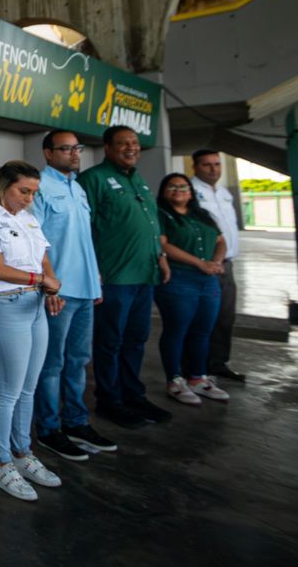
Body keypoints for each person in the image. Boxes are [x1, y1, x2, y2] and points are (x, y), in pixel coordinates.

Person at [0, 160, 65, 501]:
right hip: (4, 305)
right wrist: (42, 281)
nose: (28, 199)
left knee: (28, 388)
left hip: (35, 305)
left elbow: (43, 258)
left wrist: (51, 288)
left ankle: (23, 453)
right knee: (8, 390)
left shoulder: (28, 219)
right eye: (24, 191)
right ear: (3, 185)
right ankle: (0, 461)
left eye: (33, 193)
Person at [77, 125, 172, 429]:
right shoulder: (93, 179)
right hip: (114, 277)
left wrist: (160, 255)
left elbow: (151, 223)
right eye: (123, 144)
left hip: (145, 274)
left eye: (135, 143)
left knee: (137, 338)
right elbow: (83, 228)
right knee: (110, 342)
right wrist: (93, 270)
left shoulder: (139, 181)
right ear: (107, 147)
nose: (131, 148)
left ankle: (133, 395)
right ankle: (110, 400)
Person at [30, 131, 117, 462]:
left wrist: (95, 280)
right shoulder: (39, 187)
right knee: (52, 364)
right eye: (65, 149)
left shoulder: (77, 187)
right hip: (59, 292)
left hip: (85, 290)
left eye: (76, 148)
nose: (74, 154)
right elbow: (34, 240)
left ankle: (77, 422)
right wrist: (49, 283)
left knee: (79, 361)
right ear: (48, 153)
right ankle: (50, 429)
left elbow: (84, 239)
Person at [155, 173, 230, 405]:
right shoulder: (160, 214)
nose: (179, 190)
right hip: (178, 279)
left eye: (184, 187)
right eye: (172, 187)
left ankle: (198, 378)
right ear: (164, 191)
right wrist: (200, 263)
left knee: (202, 331)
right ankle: (175, 380)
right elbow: (163, 244)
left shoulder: (203, 214)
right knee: (176, 330)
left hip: (208, 280)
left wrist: (216, 262)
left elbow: (220, 241)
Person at [190, 149, 244, 381]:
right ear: (195, 167)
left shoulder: (223, 192)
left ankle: (218, 362)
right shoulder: (190, 192)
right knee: (201, 319)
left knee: (225, 317)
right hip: (203, 265)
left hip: (227, 264)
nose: (214, 169)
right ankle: (194, 368)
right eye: (207, 165)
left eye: (217, 164)